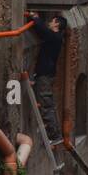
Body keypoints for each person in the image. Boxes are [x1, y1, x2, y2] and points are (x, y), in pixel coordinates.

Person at [28, 10, 67, 145]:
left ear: (56, 24)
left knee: (46, 104)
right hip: (45, 74)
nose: (49, 23)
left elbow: (42, 29)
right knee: (47, 103)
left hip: (45, 76)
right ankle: (54, 133)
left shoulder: (54, 37)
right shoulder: (56, 38)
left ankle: (54, 135)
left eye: (52, 21)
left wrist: (35, 18)